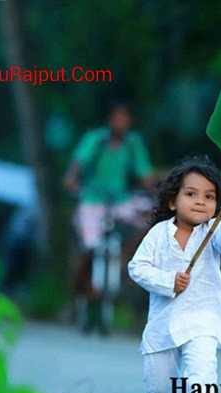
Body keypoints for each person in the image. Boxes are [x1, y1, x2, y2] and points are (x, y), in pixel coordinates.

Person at [128, 156, 221, 393]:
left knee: (202, 372)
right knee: (159, 385)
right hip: (164, 323)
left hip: (204, 317)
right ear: (172, 202)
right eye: (191, 194)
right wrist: (168, 281)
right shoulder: (158, 235)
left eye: (209, 197)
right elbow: (137, 268)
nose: (200, 202)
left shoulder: (213, 231)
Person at [63, 99, 154, 334]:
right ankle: (79, 293)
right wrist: (72, 178)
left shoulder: (133, 143)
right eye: (117, 117)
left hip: (121, 200)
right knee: (90, 247)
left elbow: (145, 174)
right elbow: (77, 164)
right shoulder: (96, 139)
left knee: (150, 218)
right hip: (93, 199)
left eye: (124, 118)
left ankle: (125, 258)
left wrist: (155, 190)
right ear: (109, 119)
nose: (120, 122)